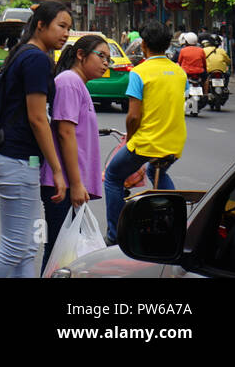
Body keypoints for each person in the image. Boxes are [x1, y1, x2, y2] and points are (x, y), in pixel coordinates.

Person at [0, 0, 70, 278]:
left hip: (14, 158)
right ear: (41, 25)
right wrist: (56, 169)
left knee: (27, 246)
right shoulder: (36, 59)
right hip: (16, 159)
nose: (66, 34)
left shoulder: (26, 54)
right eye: (61, 26)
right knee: (15, 246)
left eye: (69, 28)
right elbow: (37, 118)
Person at [103, 20, 186, 243]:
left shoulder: (139, 73)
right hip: (174, 143)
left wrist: (130, 137)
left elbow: (133, 116)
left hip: (147, 142)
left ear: (144, 45)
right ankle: (178, 223)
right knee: (156, 172)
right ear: (168, 45)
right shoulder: (179, 73)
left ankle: (115, 235)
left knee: (112, 176)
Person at [39, 34, 108, 272]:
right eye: (101, 56)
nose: (106, 62)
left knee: (65, 254)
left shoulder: (79, 84)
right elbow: (65, 133)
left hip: (71, 183)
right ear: (80, 55)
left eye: (108, 58)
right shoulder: (69, 81)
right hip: (64, 185)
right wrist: (76, 184)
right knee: (58, 254)